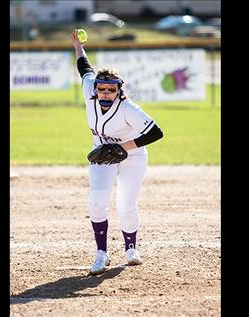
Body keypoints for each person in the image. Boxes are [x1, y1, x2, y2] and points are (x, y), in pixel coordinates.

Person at [70, 29, 164, 275]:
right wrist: (77, 46)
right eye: (102, 89)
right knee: (97, 202)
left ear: (119, 91)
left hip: (132, 156)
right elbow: (84, 67)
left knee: (125, 205)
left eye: (111, 90)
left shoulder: (128, 108)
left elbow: (156, 132)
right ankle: (101, 253)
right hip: (102, 155)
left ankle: (131, 248)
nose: (105, 93)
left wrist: (121, 147)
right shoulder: (90, 91)